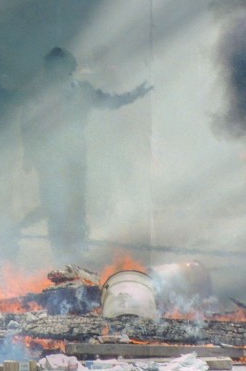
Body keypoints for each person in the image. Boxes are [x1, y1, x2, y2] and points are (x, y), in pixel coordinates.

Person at [20, 47, 150, 261]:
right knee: (54, 204)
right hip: (49, 157)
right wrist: (28, 153)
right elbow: (27, 123)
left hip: (74, 154)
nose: (55, 70)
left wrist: (134, 95)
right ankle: (60, 249)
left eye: (59, 65)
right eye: (52, 66)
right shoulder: (39, 92)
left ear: (69, 67)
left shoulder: (81, 89)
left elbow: (109, 101)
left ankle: (77, 246)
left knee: (76, 201)